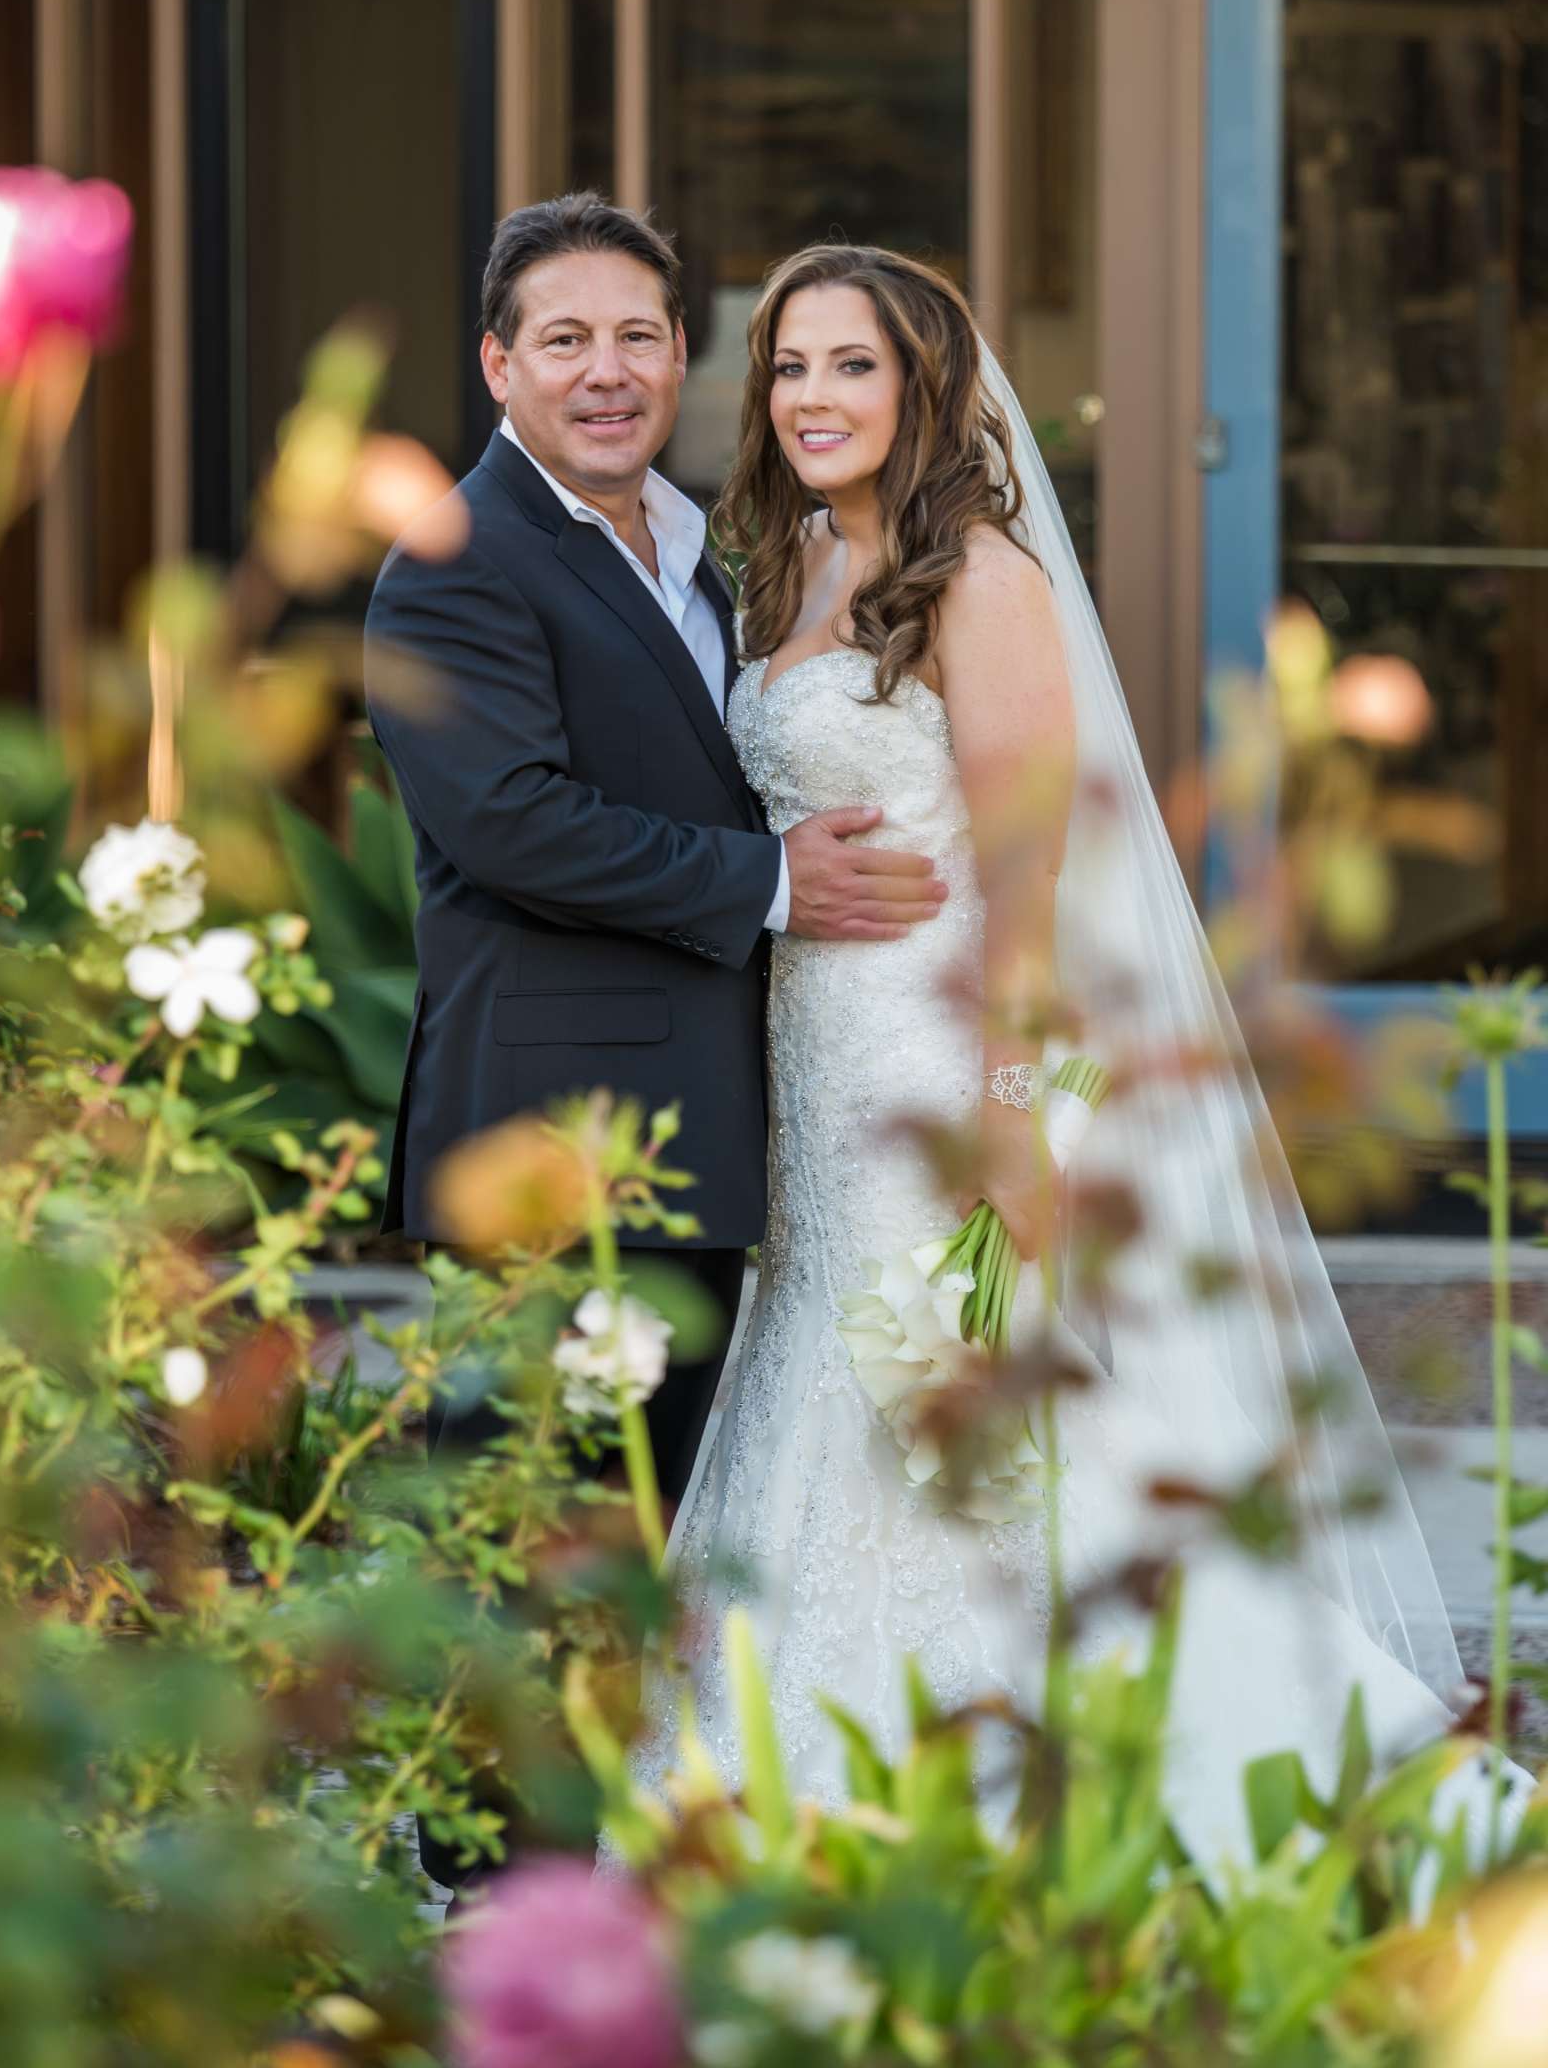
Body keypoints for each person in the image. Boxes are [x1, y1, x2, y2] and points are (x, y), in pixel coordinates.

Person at [633, 241, 1511, 1871]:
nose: (813, 398)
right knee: (827, 1385)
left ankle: (1098, 1794)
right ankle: (802, 1793)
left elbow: (1041, 872)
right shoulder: (790, 563)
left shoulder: (982, 583)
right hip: (811, 1070)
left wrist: (1021, 1116)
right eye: (788, 367)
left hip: (947, 1065)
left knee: (994, 1429)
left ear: (925, 388)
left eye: (853, 365)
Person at [363, 197, 946, 1887]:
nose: (607, 372)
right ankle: (492, 1873)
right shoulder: (455, 561)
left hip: (697, 1119)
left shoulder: (704, 544)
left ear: (680, 354)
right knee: (539, 1506)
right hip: (550, 1124)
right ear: (498, 363)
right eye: (565, 338)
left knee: (645, 1502)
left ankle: (586, 1845)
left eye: (637, 335)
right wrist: (768, 882)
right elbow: (512, 823)